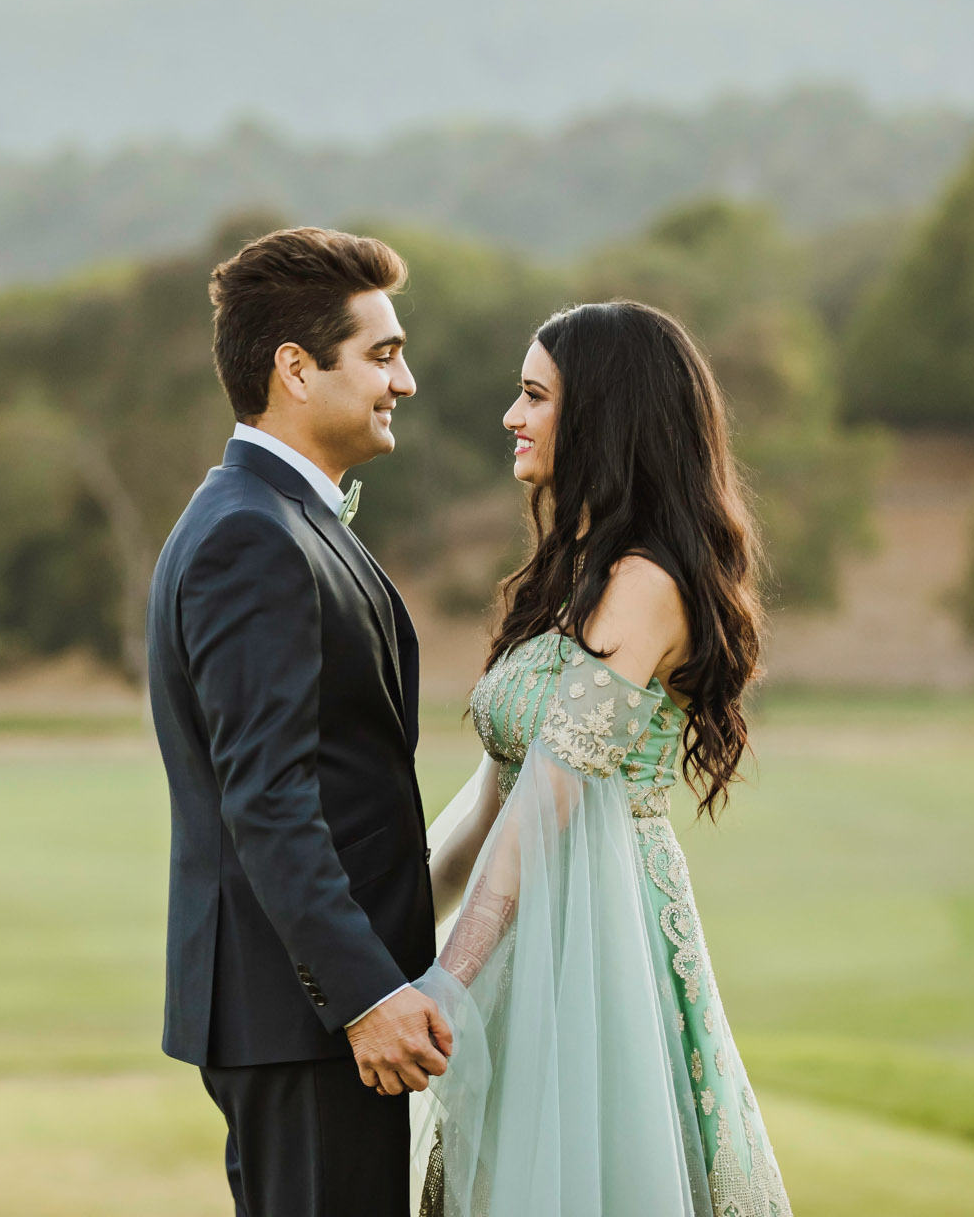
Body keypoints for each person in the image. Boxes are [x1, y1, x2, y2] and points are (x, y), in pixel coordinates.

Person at [411, 301, 794, 1217]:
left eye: (535, 396)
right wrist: (390, 930)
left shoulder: (648, 586)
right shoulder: (572, 572)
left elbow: (548, 800)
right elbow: (494, 793)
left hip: (601, 935)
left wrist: (445, 983)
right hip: (525, 926)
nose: (512, 415)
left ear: (601, 419)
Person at [148, 226, 453, 1217]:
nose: (403, 381)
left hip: (306, 1015)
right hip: (304, 1017)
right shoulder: (252, 535)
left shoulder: (281, 517)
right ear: (295, 369)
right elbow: (269, 799)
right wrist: (365, 995)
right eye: (382, 354)